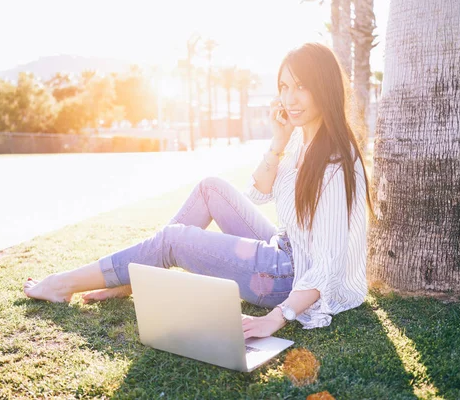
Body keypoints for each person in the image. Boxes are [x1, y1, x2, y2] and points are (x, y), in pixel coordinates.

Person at [24, 42, 372, 339]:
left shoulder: (336, 162)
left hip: (288, 277)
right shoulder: (299, 135)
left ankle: (63, 284)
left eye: (301, 87)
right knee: (210, 188)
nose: (289, 98)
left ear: (324, 87)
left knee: (173, 240)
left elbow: (327, 264)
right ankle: (136, 274)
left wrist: (275, 318)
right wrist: (277, 143)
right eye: (283, 86)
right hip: (286, 248)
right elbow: (261, 191)